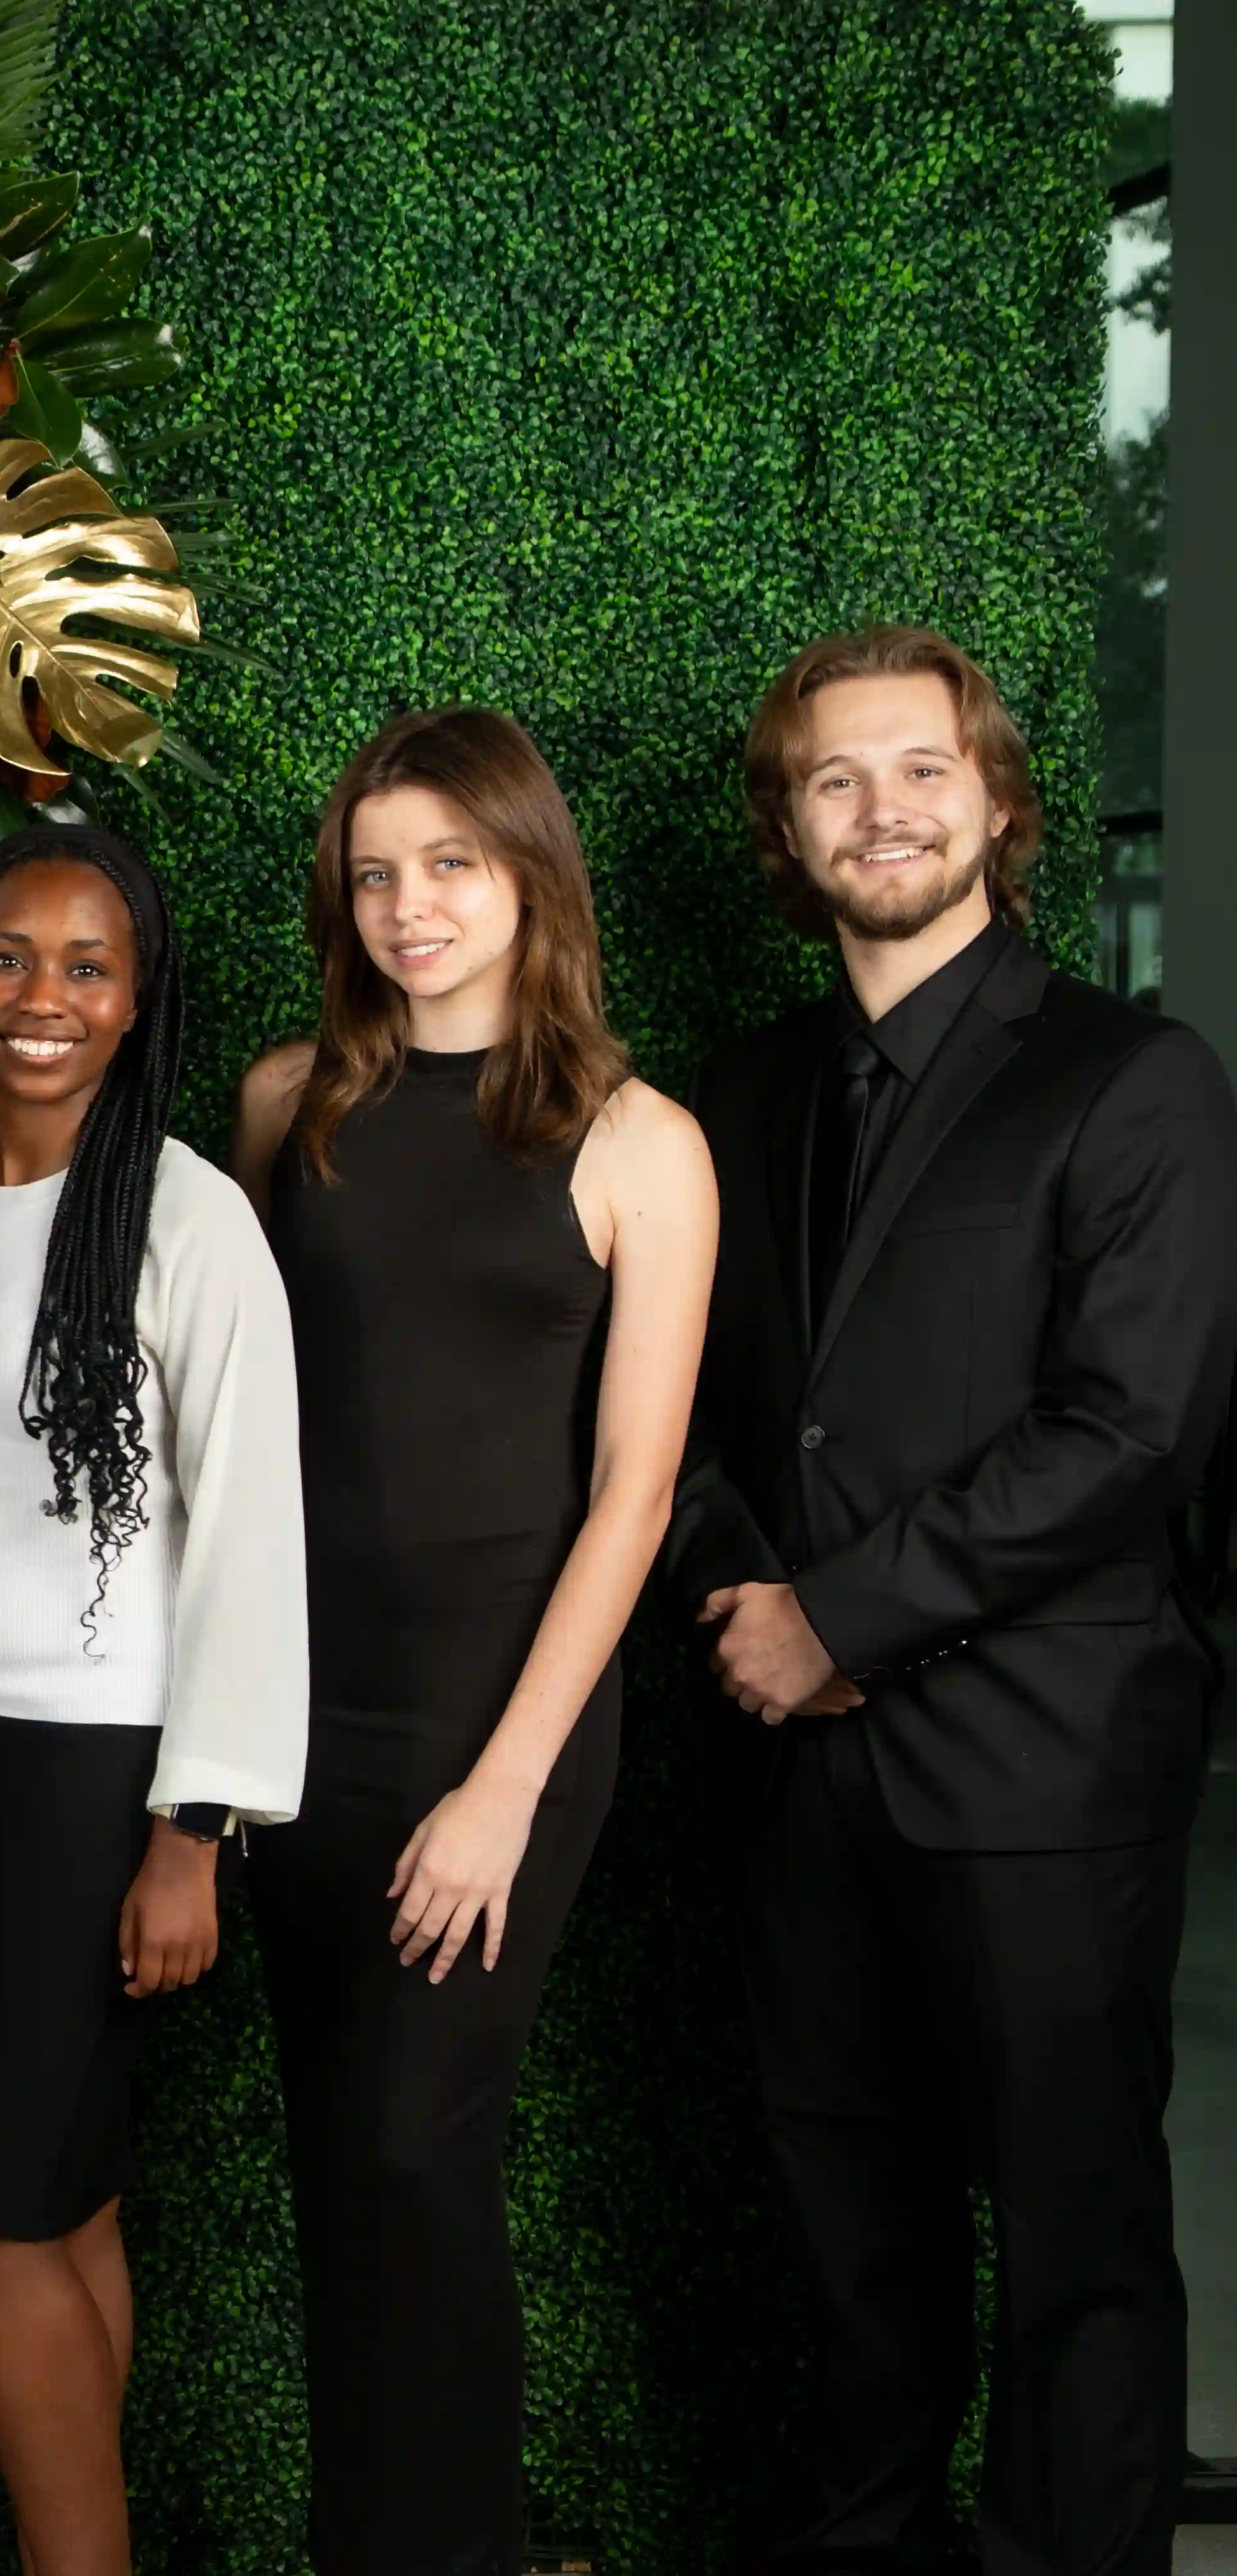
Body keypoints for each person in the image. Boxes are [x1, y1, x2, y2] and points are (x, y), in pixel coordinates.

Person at [669, 625, 1237, 2576]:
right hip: (793, 1777)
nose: (881, 810)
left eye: (922, 770)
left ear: (998, 802)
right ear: (789, 830)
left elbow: (1131, 1431)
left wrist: (846, 1615)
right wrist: (756, 1606)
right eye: (836, 779)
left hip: (1042, 1767)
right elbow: (663, 1414)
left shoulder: (1135, 1083)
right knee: (847, 2236)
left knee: (1073, 2249)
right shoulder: (732, 1102)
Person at [228, 711, 715, 2576]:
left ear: (529, 878)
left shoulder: (637, 1142)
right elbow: (240, 1435)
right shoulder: (292, 1105)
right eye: (375, 873)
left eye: (450, 865)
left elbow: (636, 1497)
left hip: (497, 1728)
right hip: (299, 1719)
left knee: (423, 2162)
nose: (410, 906)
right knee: (346, 2172)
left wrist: (502, 1790)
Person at [0, 823, 306, 2576]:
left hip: (96, 1779)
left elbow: (251, 1534)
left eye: (86, 965)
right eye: (8, 958)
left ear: (140, 1000)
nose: (41, 997)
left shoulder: (192, 1217)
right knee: (63, 2211)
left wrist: (189, 1830)